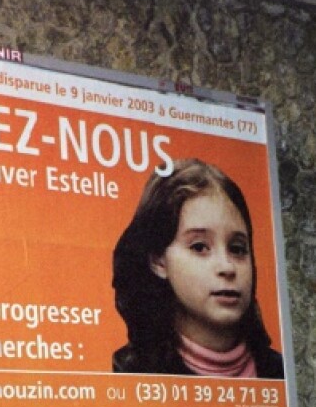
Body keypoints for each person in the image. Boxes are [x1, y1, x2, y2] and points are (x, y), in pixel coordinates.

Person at [112, 158, 283, 378]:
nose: (227, 267)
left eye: (238, 249)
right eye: (200, 247)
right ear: (158, 260)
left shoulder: (281, 373)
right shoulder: (128, 375)